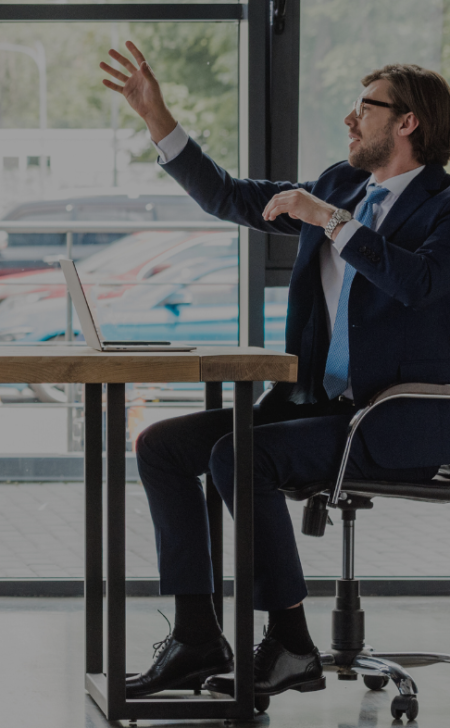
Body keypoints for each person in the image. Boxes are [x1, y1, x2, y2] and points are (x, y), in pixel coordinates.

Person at [101, 42, 450, 702]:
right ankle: (197, 637)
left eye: (364, 107)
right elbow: (230, 196)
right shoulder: (342, 185)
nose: (350, 119)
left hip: (395, 420)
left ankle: (290, 643)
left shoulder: (441, 206)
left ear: (408, 122)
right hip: (315, 407)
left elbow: (417, 283)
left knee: (241, 456)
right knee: (163, 446)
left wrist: (329, 220)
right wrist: (158, 118)